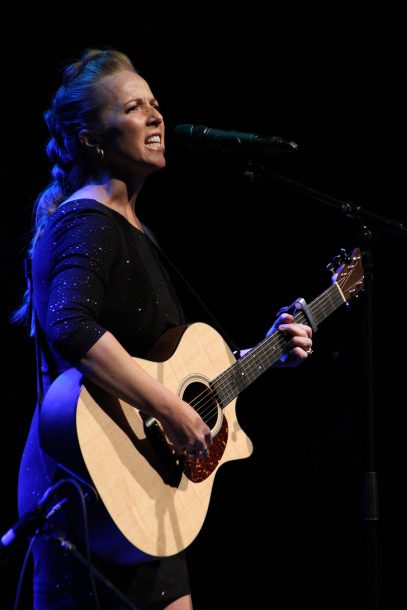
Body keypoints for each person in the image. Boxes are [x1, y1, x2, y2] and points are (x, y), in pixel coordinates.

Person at [14, 48, 313, 610]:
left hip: (143, 496)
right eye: (133, 108)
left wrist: (269, 351)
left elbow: (166, 369)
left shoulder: (135, 231)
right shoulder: (89, 219)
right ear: (90, 138)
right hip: (91, 500)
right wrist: (172, 411)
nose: (156, 116)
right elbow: (69, 326)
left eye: (154, 104)